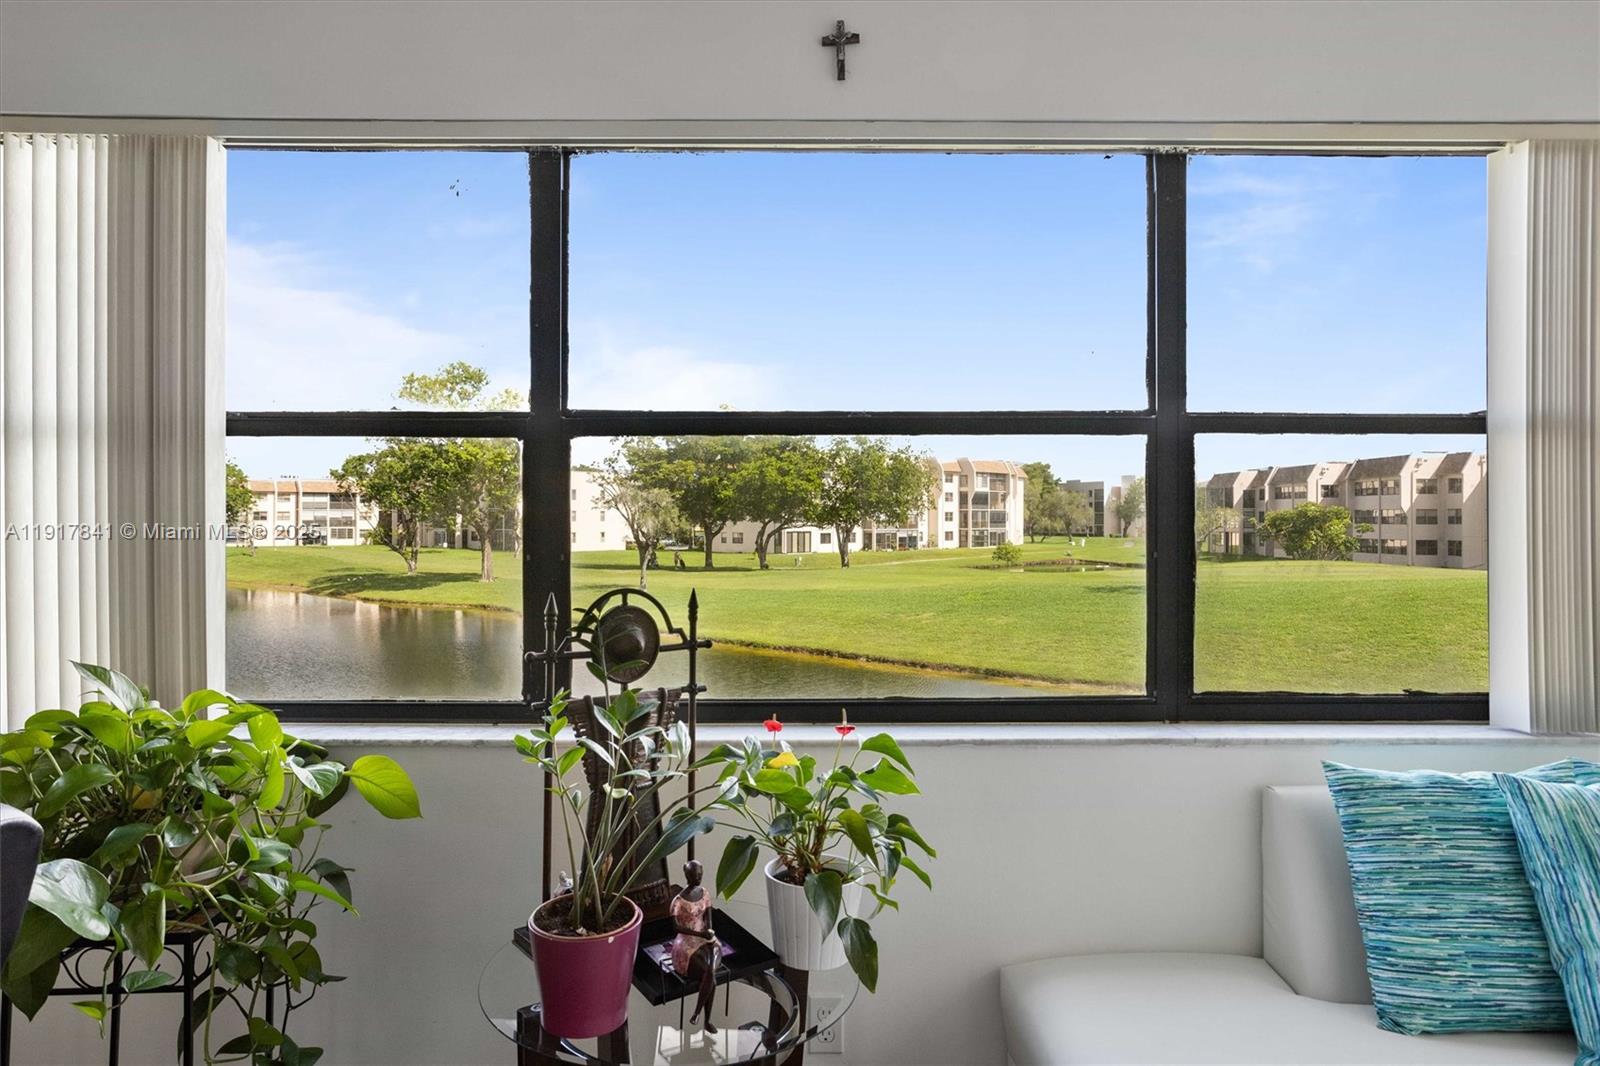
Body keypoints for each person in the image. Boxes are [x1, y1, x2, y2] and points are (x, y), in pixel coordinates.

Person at [670, 859, 720, 1031]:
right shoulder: (678, 901)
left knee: (710, 969)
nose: (698, 877)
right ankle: (704, 1018)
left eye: (700, 874)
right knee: (710, 974)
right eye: (694, 874)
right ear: (686, 875)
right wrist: (700, 934)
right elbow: (675, 927)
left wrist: (710, 932)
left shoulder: (705, 893)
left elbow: (709, 917)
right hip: (686, 942)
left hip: (706, 937)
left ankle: (698, 1015)